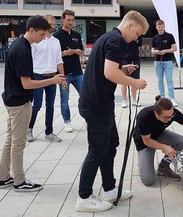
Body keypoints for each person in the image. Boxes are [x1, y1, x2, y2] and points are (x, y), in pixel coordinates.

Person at [76, 10, 149, 212]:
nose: (136, 39)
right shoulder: (117, 41)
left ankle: (109, 189)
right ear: (130, 26)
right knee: (97, 151)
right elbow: (109, 73)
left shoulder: (109, 37)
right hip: (96, 105)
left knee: (110, 146)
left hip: (100, 103)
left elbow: (107, 69)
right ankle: (83, 197)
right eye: (137, 35)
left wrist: (122, 70)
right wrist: (134, 82)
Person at [0, 15, 65, 192]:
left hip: (12, 99)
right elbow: (27, 83)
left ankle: (4, 177)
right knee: (18, 143)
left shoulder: (20, 45)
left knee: (10, 140)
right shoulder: (23, 50)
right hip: (19, 102)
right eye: (41, 34)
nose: (43, 38)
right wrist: (52, 80)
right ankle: (19, 181)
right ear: (31, 30)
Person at [133, 96, 183, 186]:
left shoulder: (171, 113)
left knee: (180, 141)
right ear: (156, 113)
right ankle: (144, 161)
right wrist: (164, 147)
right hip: (145, 142)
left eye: (171, 116)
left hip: (159, 134)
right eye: (166, 117)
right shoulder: (144, 116)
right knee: (148, 180)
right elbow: (147, 141)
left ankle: (163, 167)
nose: (169, 119)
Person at [27, 15, 66, 143]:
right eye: (50, 24)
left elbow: (59, 61)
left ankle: (49, 132)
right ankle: (29, 129)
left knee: (50, 106)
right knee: (36, 105)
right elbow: (30, 60)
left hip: (52, 77)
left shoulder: (56, 41)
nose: (53, 26)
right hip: (38, 76)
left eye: (54, 24)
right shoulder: (36, 41)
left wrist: (63, 78)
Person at [53, 9, 85, 133]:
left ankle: (88, 119)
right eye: (68, 20)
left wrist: (78, 52)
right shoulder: (56, 36)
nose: (71, 22)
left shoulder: (77, 35)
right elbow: (54, 55)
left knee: (85, 96)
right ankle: (67, 122)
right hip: (64, 73)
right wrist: (66, 53)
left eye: (72, 20)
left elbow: (82, 52)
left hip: (77, 72)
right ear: (62, 19)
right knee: (64, 99)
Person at [151, 20, 178, 107]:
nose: (160, 28)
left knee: (169, 80)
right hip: (157, 61)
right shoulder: (155, 38)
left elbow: (174, 48)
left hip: (167, 61)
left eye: (161, 26)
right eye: (158, 27)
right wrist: (156, 52)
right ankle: (162, 97)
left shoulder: (169, 36)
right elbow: (152, 50)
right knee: (160, 80)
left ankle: (172, 98)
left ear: (164, 26)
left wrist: (165, 51)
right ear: (156, 27)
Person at [121, 36, 143, 108]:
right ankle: (124, 100)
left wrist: (136, 39)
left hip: (135, 59)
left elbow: (139, 46)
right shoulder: (126, 34)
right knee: (124, 80)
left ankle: (134, 99)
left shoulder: (139, 36)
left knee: (135, 79)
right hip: (125, 59)